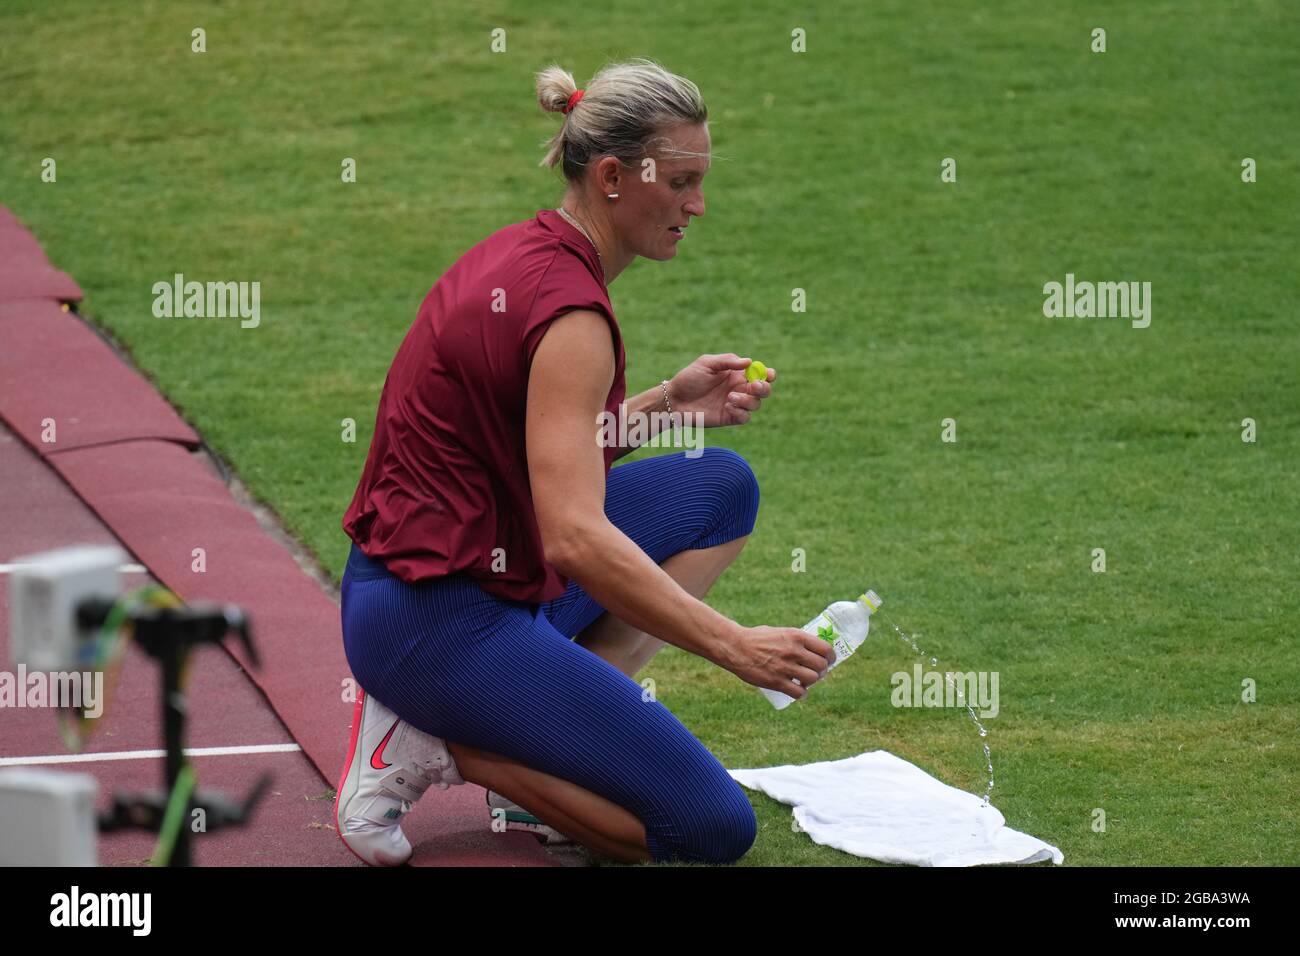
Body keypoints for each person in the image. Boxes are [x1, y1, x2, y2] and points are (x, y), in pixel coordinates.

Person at [334, 58, 835, 866]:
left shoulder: (526, 254)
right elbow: (573, 537)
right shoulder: (572, 318)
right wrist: (736, 646)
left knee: (718, 486)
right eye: (679, 182)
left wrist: (671, 404)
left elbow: (536, 448)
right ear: (611, 176)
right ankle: (445, 745)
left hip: (442, 578)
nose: (697, 205)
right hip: (434, 624)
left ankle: (542, 743)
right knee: (708, 829)